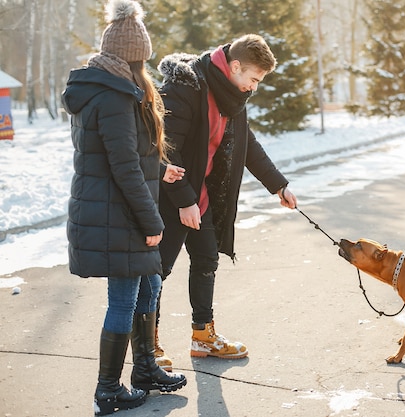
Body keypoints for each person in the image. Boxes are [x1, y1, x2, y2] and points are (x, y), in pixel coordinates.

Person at [61, 1, 187, 415]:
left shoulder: (108, 88)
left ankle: (146, 369)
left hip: (118, 207)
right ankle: (108, 388)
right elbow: (123, 165)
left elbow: (126, 153)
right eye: (143, 61)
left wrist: (161, 168)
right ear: (134, 58)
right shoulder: (114, 97)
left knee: (149, 280)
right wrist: (152, 221)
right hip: (118, 213)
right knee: (123, 298)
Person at [153, 34, 298, 368]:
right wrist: (184, 200)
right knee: (156, 271)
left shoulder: (232, 95)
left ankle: (203, 336)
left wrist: (278, 185)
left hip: (202, 195)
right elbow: (165, 148)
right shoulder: (186, 87)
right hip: (169, 194)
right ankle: (149, 345)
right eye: (253, 79)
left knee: (206, 261)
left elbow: (247, 144)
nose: (254, 87)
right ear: (235, 66)